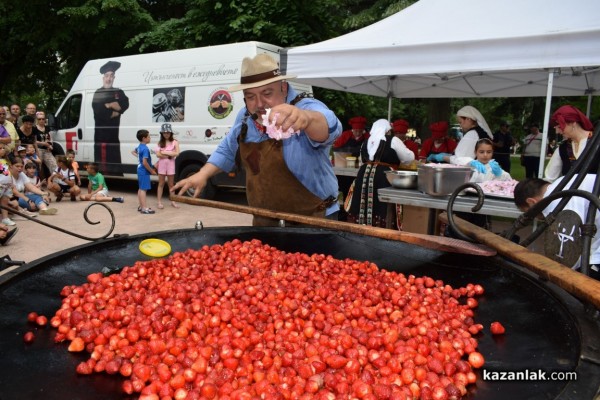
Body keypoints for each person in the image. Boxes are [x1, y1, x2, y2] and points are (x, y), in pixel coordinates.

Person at [172, 53, 342, 226]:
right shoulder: (245, 118)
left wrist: (306, 119)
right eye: (250, 96)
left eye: (267, 93)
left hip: (314, 219)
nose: (259, 104)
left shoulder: (305, 107)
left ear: (283, 87)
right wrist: (203, 174)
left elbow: (332, 127)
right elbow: (227, 149)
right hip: (265, 220)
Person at [514, 174, 600, 280]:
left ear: (531, 202)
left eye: (529, 213)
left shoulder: (555, 204)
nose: (536, 218)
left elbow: (572, 251)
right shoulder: (564, 181)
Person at [346, 119, 415, 228]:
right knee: (382, 205)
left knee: (362, 203)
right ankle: (383, 230)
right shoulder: (393, 140)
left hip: (363, 175)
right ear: (387, 131)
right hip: (384, 176)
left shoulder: (366, 142)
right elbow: (409, 158)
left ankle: (361, 228)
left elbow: (361, 161)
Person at [92, 61, 129, 174]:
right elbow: (100, 113)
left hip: (114, 137)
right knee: (103, 169)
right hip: (102, 138)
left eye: (111, 76)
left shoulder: (118, 92)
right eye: (107, 76)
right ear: (103, 78)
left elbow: (125, 104)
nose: (109, 79)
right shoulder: (98, 93)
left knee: (116, 166)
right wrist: (116, 110)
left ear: (114, 77)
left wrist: (111, 106)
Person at [545, 105, 596, 182]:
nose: (557, 132)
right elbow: (549, 178)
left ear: (573, 123)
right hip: (570, 193)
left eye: (559, 127)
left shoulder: (596, 142)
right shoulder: (563, 149)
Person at [429, 106, 493, 165]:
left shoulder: (471, 135)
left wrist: (444, 157)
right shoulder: (480, 132)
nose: (460, 125)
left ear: (468, 119)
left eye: (460, 122)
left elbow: (461, 160)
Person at [155, 123, 180, 209]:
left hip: (171, 165)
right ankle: (159, 202)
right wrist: (170, 154)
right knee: (161, 183)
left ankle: (173, 201)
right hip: (162, 165)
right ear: (162, 133)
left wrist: (164, 152)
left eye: (168, 132)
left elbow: (177, 153)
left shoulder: (175, 142)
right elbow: (158, 155)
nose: (166, 134)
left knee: (171, 184)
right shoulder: (159, 143)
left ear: (171, 133)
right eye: (164, 133)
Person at [134, 129, 157, 214]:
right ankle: (144, 208)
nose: (150, 138)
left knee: (140, 188)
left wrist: (139, 157)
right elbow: (145, 162)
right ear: (144, 138)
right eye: (149, 137)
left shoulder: (140, 146)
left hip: (140, 169)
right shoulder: (146, 149)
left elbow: (133, 152)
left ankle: (141, 206)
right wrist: (152, 171)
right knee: (144, 189)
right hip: (144, 171)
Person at [35, 111, 57, 180]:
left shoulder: (47, 128)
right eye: (39, 119)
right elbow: (34, 141)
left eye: (43, 119)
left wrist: (50, 145)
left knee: (54, 165)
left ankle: (56, 182)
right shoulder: (34, 128)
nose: (41, 120)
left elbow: (50, 139)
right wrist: (43, 143)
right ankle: (36, 182)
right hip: (38, 150)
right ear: (37, 120)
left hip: (47, 150)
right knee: (38, 166)